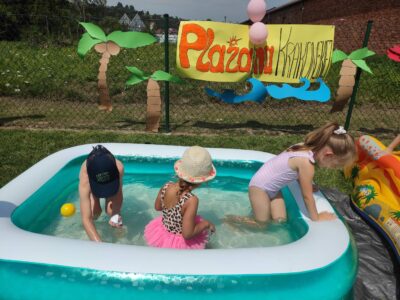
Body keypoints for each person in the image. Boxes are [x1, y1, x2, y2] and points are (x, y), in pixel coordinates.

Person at [226, 122, 356, 227]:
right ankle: (230, 220)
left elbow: (296, 173)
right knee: (262, 225)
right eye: (335, 164)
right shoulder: (307, 164)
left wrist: (308, 186)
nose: (332, 168)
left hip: (271, 188)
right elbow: (307, 197)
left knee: (280, 221)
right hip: (259, 189)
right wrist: (317, 218)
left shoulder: (302, 146)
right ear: (328, 155)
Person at [144, 146, 216, 249]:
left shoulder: (166, 186)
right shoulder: (191, 200)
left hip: (162, 233)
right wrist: (206, 224)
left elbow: (158, 207)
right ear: (201, 181)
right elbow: (187, 234)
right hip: (180, 243)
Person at [79, 145, 124, 242]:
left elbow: (118, 192)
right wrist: (100, 245)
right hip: (93, 181)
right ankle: (95, 195)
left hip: (110, 178)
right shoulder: (85, 177)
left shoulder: (118, 168)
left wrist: (116, 213)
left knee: (111, 211)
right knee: (94, 213)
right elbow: (86, 219)